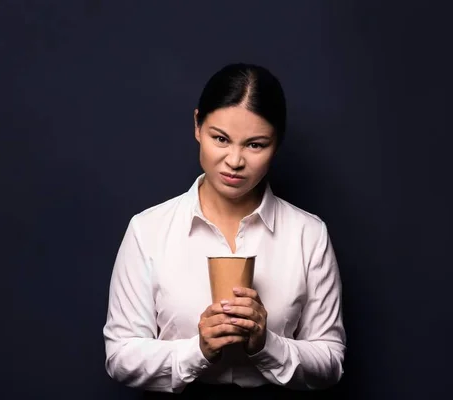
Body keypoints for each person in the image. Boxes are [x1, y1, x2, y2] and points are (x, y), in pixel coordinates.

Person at [102, 63, 346, 397]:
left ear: (277, 143)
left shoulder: (308, 233)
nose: (234, 160)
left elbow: (331, 360)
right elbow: (120, 355)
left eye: (255, 145)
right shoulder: (148, 230)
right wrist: (197, 351)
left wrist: (266, 344)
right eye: (220, 138)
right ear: (197, 126)